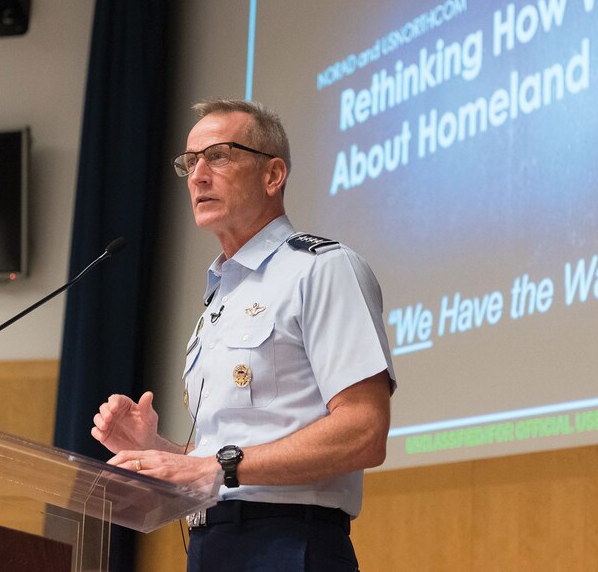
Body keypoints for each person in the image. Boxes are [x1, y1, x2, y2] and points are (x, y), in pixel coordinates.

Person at [92, 99, 396, 571]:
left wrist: (214, 466)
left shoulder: (320, 270)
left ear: (273, 175)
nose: (197, 175)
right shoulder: (219, 301)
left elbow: (364, 431)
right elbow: (222, 458)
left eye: (218, 156)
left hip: (289, 544)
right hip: (211, 545)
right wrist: (157, 450)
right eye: (190, 162)